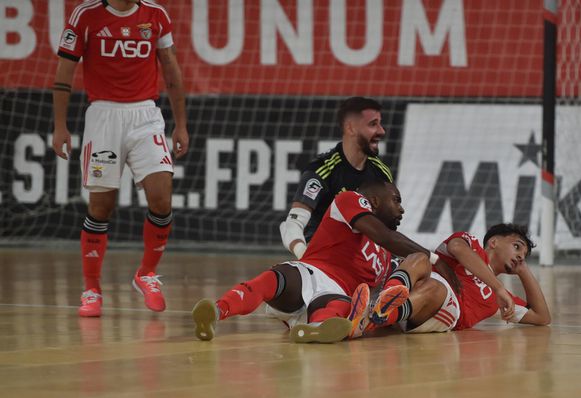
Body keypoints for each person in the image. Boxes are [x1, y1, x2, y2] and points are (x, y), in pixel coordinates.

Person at [52, 0, 189, 318]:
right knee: (101, 207)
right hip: (103, 117)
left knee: (161, 198)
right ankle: (92, 289)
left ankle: (147, 274)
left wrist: (180, 123)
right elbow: (64, 73)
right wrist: (60, 126)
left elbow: (170, 67)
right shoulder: (85, 16)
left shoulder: (155, 14)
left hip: (146, 116)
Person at [192, 181, 454, 344]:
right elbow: (387, 236)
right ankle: (216, 311)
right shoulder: (349, 199)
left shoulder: (388, 258)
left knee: (333, 310)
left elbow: (385, 292)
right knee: (275, 278)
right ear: (374, 200)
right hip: (312, 271)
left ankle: (314, 330)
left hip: (337, 294)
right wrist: (433, 258)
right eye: (396, 200)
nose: (402, 209)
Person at [352, 223, 551, 336]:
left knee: (435, 287)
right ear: (494, 241)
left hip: (442, 312)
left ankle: (371, 319)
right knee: (420, 257)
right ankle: (380, 306)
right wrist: (498, 287)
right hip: (415, 290)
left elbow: (542, 317)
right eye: (517, 247)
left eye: (524, 256)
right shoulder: (470, 244)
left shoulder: (501, 298)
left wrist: (524, 270)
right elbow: (456, 247)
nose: (520, 256)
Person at [279, 97, 392, 259]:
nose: (382, 131)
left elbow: (387, 230)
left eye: (380, 124)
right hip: (325, 258)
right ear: (351, 128)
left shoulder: (381, 172)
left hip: (365, 259)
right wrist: (305, 257)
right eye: (373, 124)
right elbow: (291, 225)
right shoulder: (322, 170)